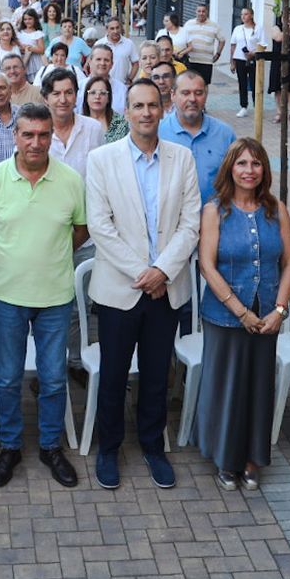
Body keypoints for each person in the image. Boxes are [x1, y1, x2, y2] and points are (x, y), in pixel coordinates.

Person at [84, 79, 201, 490]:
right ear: (127, 111)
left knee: (156, 374)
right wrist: (144, 272)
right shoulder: (102, 159)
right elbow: (100, 226)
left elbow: (191, 224)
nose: (147, 113)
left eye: (153, 105)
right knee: (114, 374)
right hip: (121, 289)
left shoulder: (182, 158)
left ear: (163, 108)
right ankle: (109, 448)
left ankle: (153, 446)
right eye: (138, 106)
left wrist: (162, 271)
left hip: (166, 289)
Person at [0, 103, 89, 490]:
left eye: (43, 135)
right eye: (28, 134)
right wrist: (14, 260)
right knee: (7, 378)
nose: (36, 142)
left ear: (51, 136)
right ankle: (9, 446)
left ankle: (50, 446)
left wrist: (47, 258)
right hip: (7, 295)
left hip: (55, 296)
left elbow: (80, 231)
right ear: (16, 136)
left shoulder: (71, 180)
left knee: (54, 378)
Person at [197, 138, 290, 490]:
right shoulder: (215, 210)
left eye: (255, 164)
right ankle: (226, 457)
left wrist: (280, 310)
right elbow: (207, 266)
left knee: (258, 387)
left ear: (264, 170)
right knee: (227, 385)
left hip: (267, 315)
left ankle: (254, 456)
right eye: (242, 163)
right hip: (225, 316)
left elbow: (289, 262)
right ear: (230, 168)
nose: (249, 171)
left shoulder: (276, 209)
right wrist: (240, 311)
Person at [159, 71, 236, 204]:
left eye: (198, 93)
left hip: (216, 218)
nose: (192, 99)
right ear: (173, 95)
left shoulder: (225, 134)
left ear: (206, 96)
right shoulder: (158, 133)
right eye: (185, 93)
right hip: (171, 220)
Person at [45, 69, 102, 183]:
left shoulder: (94, 129)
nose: (63, 100)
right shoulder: (36, 133)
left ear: (76, 96)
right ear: (46, 99)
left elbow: (103, 171)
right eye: (56, 94)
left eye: (69, 93)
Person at [263, 9, 290, 124]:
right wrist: (289, 31)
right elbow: (279, 38)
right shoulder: (276, 28)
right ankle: (279, 112)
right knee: (277, 87)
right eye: (284, 16)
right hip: (278, 61)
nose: (287, 19)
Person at [228, 7, 260, 119]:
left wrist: (254, 53)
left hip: (253, 59)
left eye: (246, 14)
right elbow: (233, 45)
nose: (243, 16)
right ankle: (244, 106)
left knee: (255, 83)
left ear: (251, 15)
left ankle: (257, 106)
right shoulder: (237, 29)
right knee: (242, 83)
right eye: (242, 14)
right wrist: (232, 62)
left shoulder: (257, 29)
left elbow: (263, 45)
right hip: (240, 59)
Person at [180, 4, 222, 84]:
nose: (201, 13)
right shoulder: (189, 24)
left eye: (203, 11)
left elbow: (222, 40)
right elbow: (183, 38)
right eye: (199, 11)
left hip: (206, 61)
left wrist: (218, 53)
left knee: (204, 84)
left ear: (207, 12)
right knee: (190, 83)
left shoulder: (214, 25)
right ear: (196, 12)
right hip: (191, 60)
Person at [82, 74, 127, 144]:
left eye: (102, 93)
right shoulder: (78, 123)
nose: (97, 97)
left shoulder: (120, 123)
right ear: (86, 97)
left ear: (108, 98)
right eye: (93, 93)